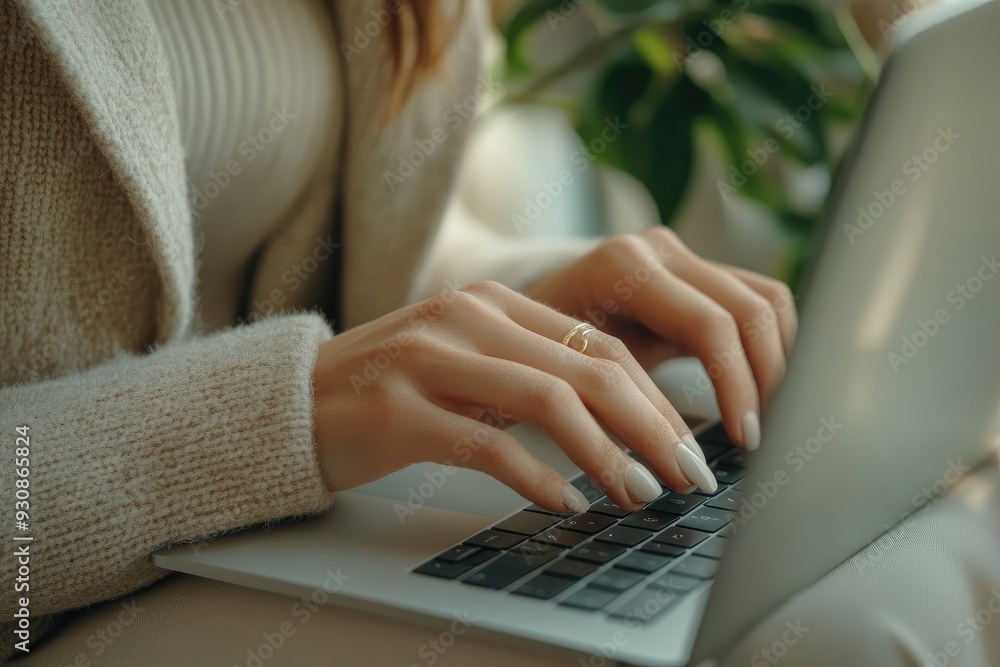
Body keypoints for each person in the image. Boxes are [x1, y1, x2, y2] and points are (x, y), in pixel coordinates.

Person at [3, 1, 996, 666]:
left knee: (929, 542)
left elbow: (336, 257)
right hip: (58, 599)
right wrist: (268, 419)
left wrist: (538, 301)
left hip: (283, 520)